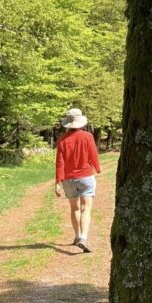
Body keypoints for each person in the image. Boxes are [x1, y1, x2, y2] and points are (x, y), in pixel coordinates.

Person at [55, 108, 101, 253]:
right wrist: (97, 168)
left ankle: (76, 236)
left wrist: (58, 181)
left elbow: (60, 162)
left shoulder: (62, 140)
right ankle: (83, 237)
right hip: (86, 177)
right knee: (85, 209)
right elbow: (93, 154)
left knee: (74, 208)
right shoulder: (87, 136)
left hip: (68, 180)